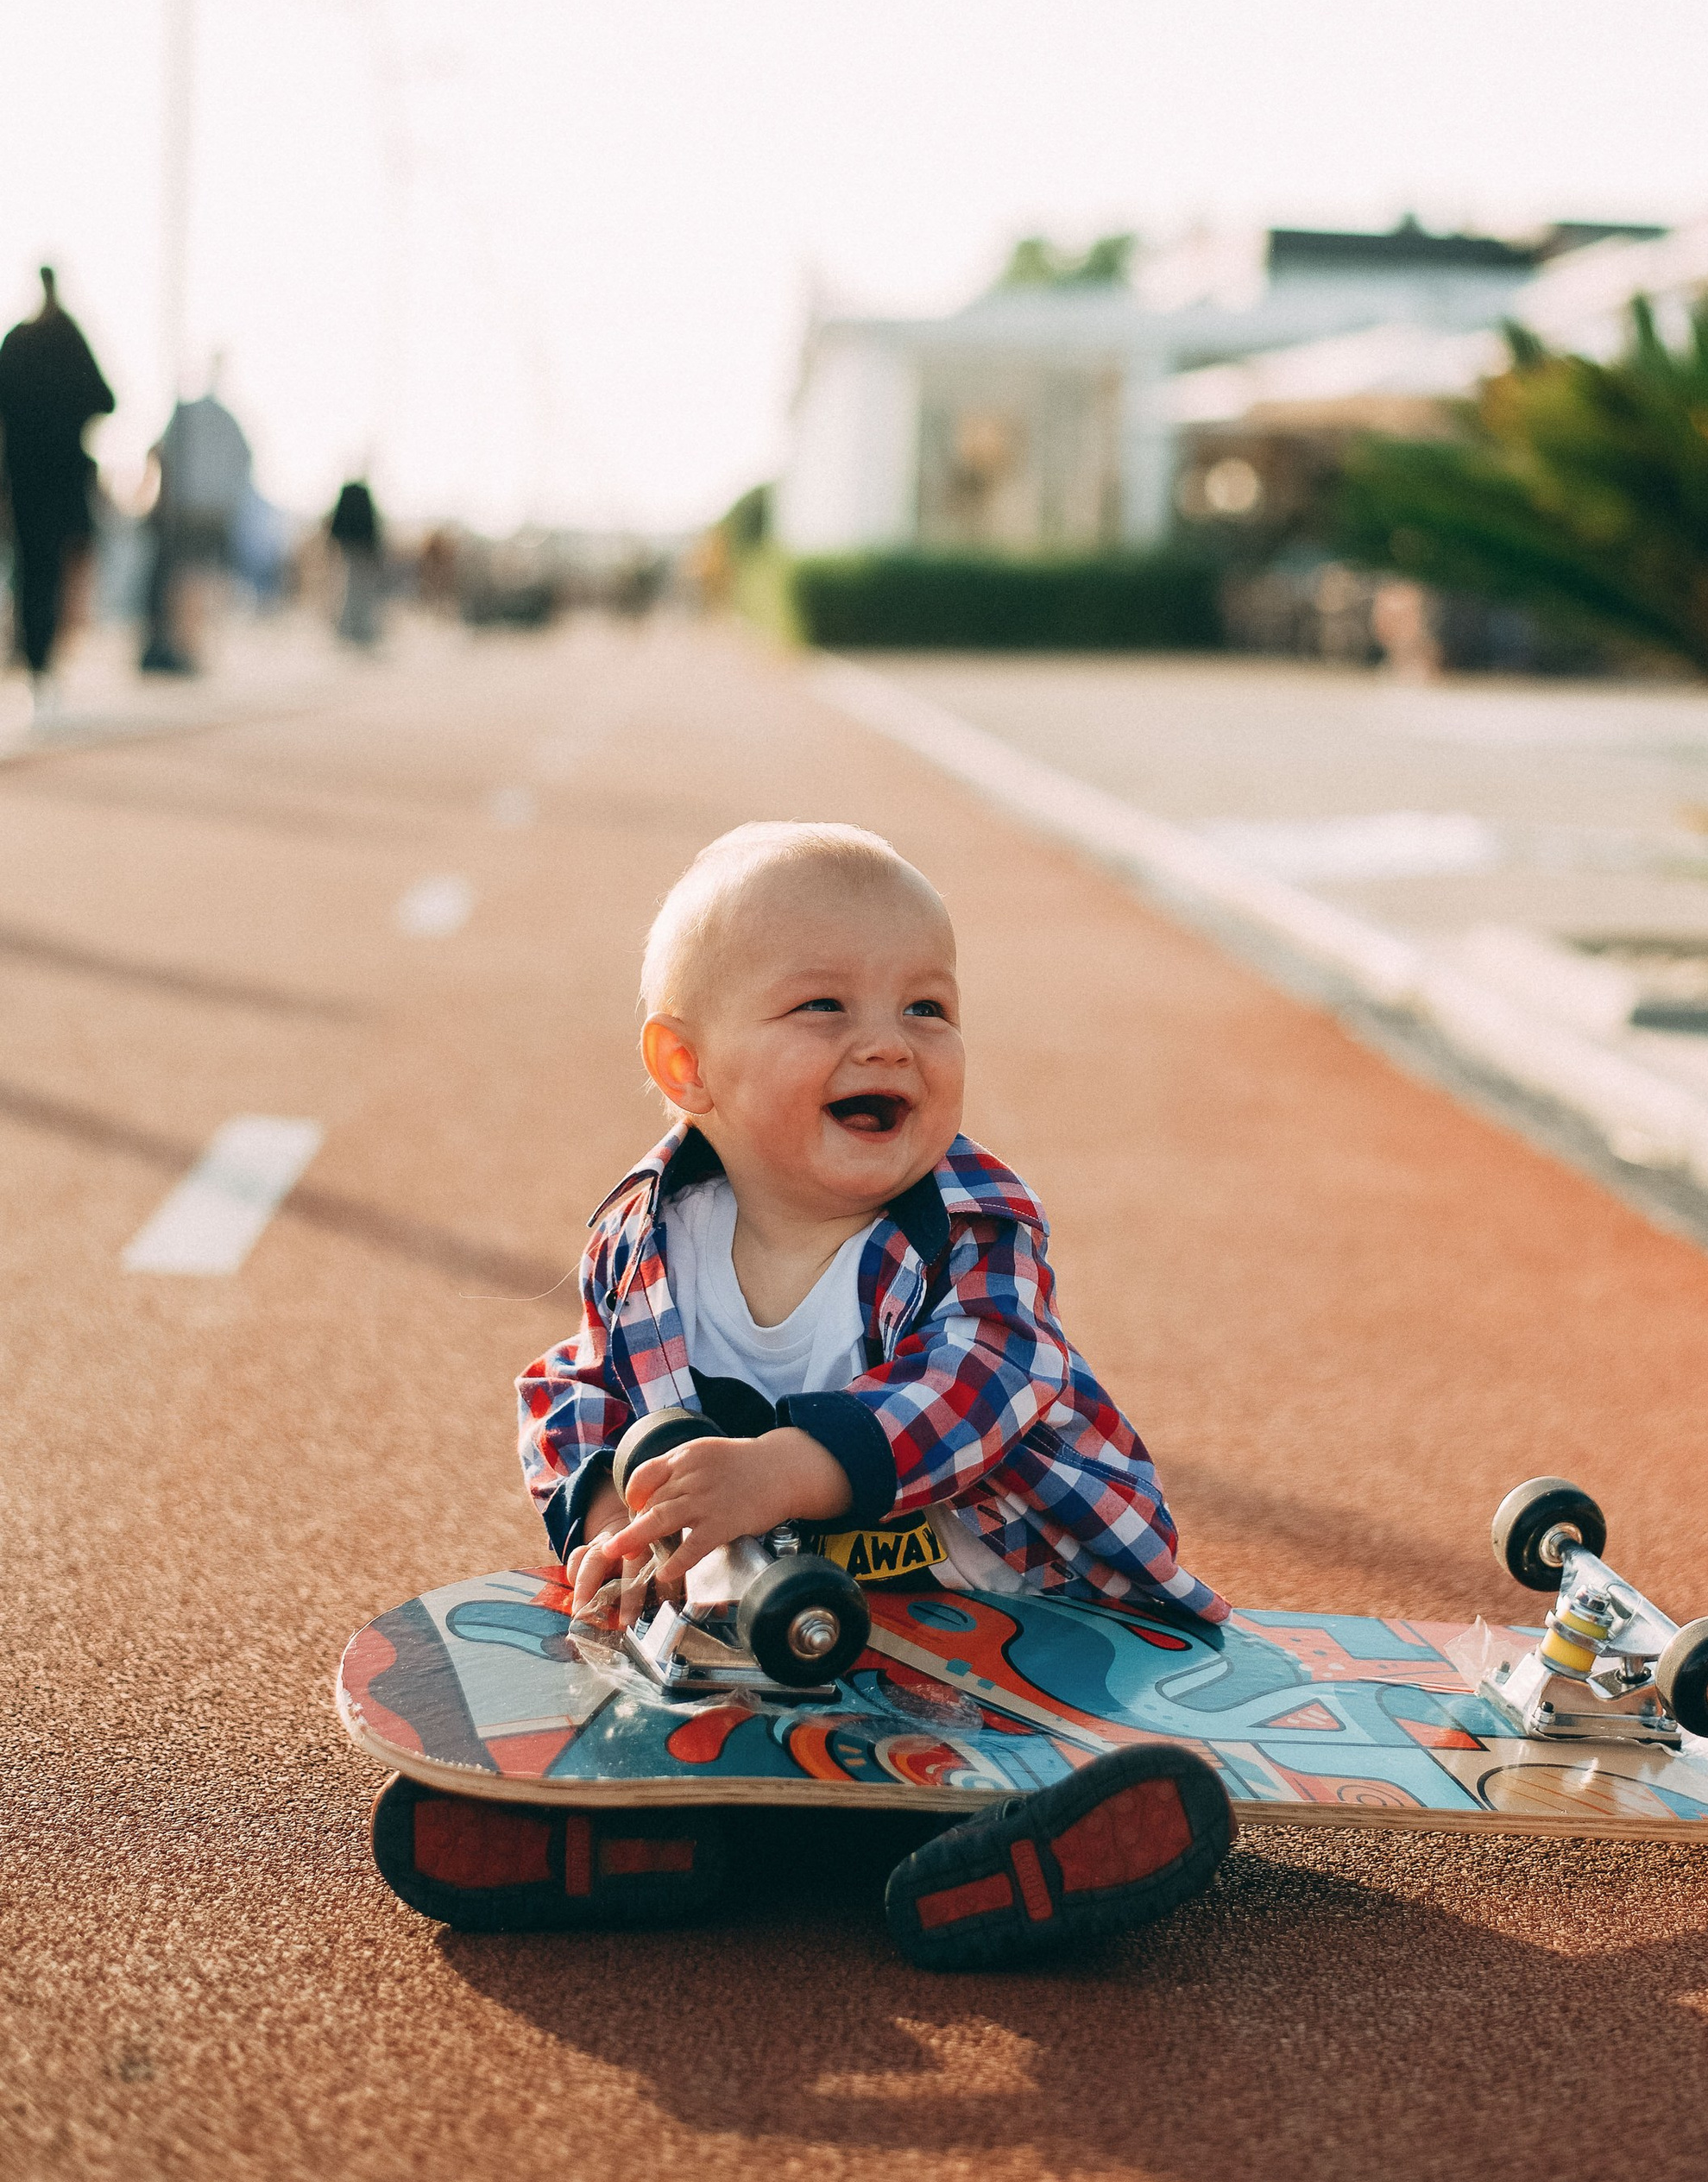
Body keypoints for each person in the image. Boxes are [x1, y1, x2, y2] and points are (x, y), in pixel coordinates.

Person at [375, 819, 1235, 1964]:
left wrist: (784, 1466)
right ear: (689, 1068)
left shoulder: (968, 1222)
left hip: (1007, 1607)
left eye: (928, 1007)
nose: (889, 1043)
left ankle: (1020, 1851)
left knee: (1000, 1741)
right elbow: (576, 1379)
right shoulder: (652, 1234)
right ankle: (641, 1840)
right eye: (824, 1007)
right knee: (703, 1709)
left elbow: (988, 1372)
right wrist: (613, 1511)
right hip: (786, 1634)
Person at [0, 263, 115, 696]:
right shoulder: (69, 338)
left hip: (23, 477)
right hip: (62, 478)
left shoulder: (17, 341)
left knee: (30, 566)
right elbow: (105, 399)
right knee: (51, 567)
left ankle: (33, 654)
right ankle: (41, 657)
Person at [142, 364, 253, 675]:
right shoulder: (229, 420)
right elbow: (245, 461)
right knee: (204, 577)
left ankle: (183, 645)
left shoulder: (186, 415)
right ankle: (194, 646)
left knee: (184, 578)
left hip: (186, 508)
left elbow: (161, 454)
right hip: (216, 511)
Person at [326, 476, 383, 647]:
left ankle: (353, 631)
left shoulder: (350, 492)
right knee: (356, 589)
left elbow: (337, 523)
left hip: (352, 549)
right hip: (358, 549)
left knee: (353, 589)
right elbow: (370, 526)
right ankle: (354, 631)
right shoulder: (360, 493)